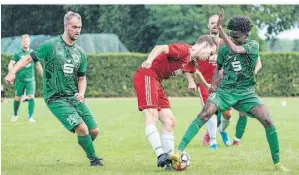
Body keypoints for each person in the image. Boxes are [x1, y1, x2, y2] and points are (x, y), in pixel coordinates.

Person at [171, 10, 288, 171]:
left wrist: (220, 30)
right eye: (231, 36)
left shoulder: (252, 45)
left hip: (246, 92)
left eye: (237, 36)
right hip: (224, 91)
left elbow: (235, 49)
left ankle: (277, 163)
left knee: (267, 120)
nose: (233, 39)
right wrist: (213, 85)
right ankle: (178, 151)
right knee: (205, 114)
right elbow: (218, 68)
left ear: (246, 34)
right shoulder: (224, 50)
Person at [5, 11, 103, 166]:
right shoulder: (50, 46)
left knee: (94, 131)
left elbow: (82, 78)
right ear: (66, 26)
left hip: (74, 97)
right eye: (74, 27)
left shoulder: (80, 53)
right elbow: (28, 58)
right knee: (82, 128)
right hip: (55, 98)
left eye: (80, 27)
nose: (78, 30)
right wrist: (12, 72)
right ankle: (94, 160)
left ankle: (83, 142)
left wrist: (82, 93)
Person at [132, 35, 217, 169]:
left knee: (169, 121)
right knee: (151, 115)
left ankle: (169, 164)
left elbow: (196, 74)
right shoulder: (184, 50)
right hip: (147, 75)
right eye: (211, 52)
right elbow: (160, 48)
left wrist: (208, 87)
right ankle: (161, 155)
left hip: (157, 81)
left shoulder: (190, 61)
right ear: (205, 45)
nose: (210, 56)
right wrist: (149, 60)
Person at [8, 34, 43, 122]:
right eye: (24, 41)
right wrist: (12, 73)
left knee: (31, 96)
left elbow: (38, 65)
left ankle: (30, 117)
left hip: (30, 80)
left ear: (29, 42)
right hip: (20, 80)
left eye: (27, 41)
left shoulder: (33, 53)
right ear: (21, 42)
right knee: (17, 98)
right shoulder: (17, 54)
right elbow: (11, 64)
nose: (25, 43)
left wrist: (44, 76)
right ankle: (15, 114)